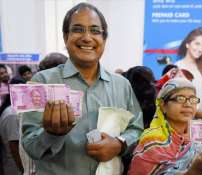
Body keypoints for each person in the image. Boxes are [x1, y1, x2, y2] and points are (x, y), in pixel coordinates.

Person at [21, 2, 143, 175]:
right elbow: (30, 147)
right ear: (65, 37)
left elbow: (136, 129)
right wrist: (51, 135)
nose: (87, 38)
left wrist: (120, 144)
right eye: (78, 29)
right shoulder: (41, 82)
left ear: (104, 39)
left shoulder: (121, 85)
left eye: (95, 31)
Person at [128, 77, 202, 175]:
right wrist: (195, 171)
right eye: (180, 98)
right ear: (163, 105)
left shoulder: (194, 140)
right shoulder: (151, 141)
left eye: (193, 99)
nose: (188, 104)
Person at [176, 27, 202, 119]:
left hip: (198, 119)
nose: (200, 49)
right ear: (187, 44)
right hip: (179, 118)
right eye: (197, 44)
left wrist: (198, 112)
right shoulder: (177, 67)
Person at [0, 79, 24, 175]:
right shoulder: (12, 114)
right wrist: (22, 169)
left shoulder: (12, 111)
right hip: (15, 165)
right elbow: (13, 145)